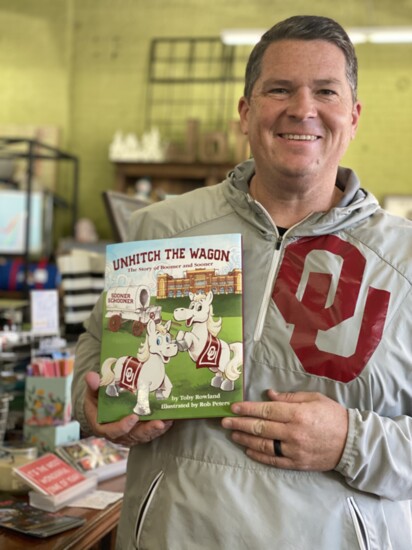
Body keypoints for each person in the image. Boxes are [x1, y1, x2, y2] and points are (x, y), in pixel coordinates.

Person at [72, 15, 412, 549]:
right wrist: (94, 406)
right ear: (246, 111)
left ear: (353, 114)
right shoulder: (163, 227)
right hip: (176, 535)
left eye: (325, 90)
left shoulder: (406, 261)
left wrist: (351, 440)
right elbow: (96, 347)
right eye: (280, 89)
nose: (303, 108)